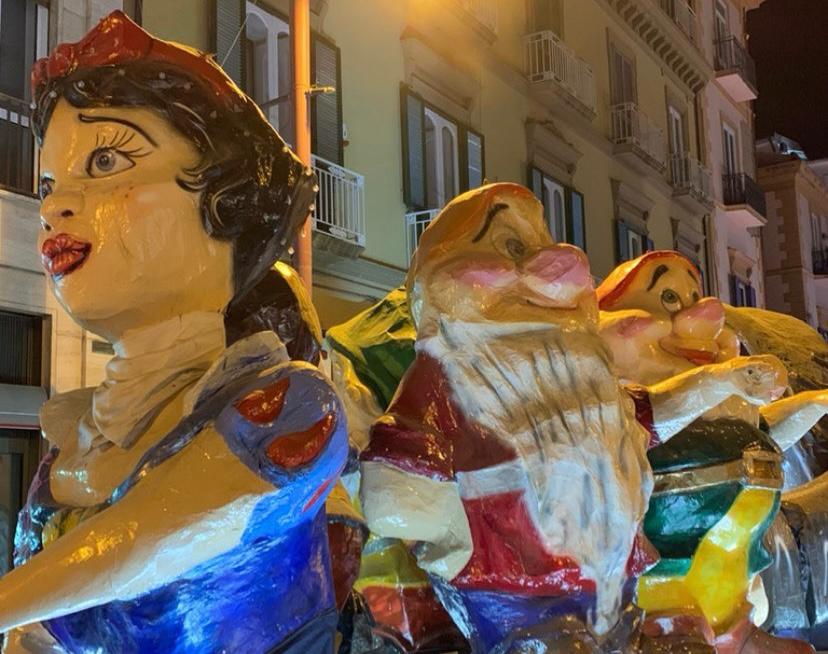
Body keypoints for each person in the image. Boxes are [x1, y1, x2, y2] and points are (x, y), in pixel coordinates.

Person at [0, 11, 347, 653]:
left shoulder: (289, 413)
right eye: (49, 183)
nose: (52, 205)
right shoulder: (69, 452)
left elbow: (143, 543)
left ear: (224, 201)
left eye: (106, 161)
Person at [598, 250, 819, 654]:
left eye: (694, 296)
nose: (704, 315)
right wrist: (720, 380)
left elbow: (767, 432)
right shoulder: (621, 399)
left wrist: (817, 402)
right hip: (659, 571)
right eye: (668, 298)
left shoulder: (730, 399)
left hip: (730, 569)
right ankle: (669, 630)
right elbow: (659, 413)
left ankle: (734, 628)